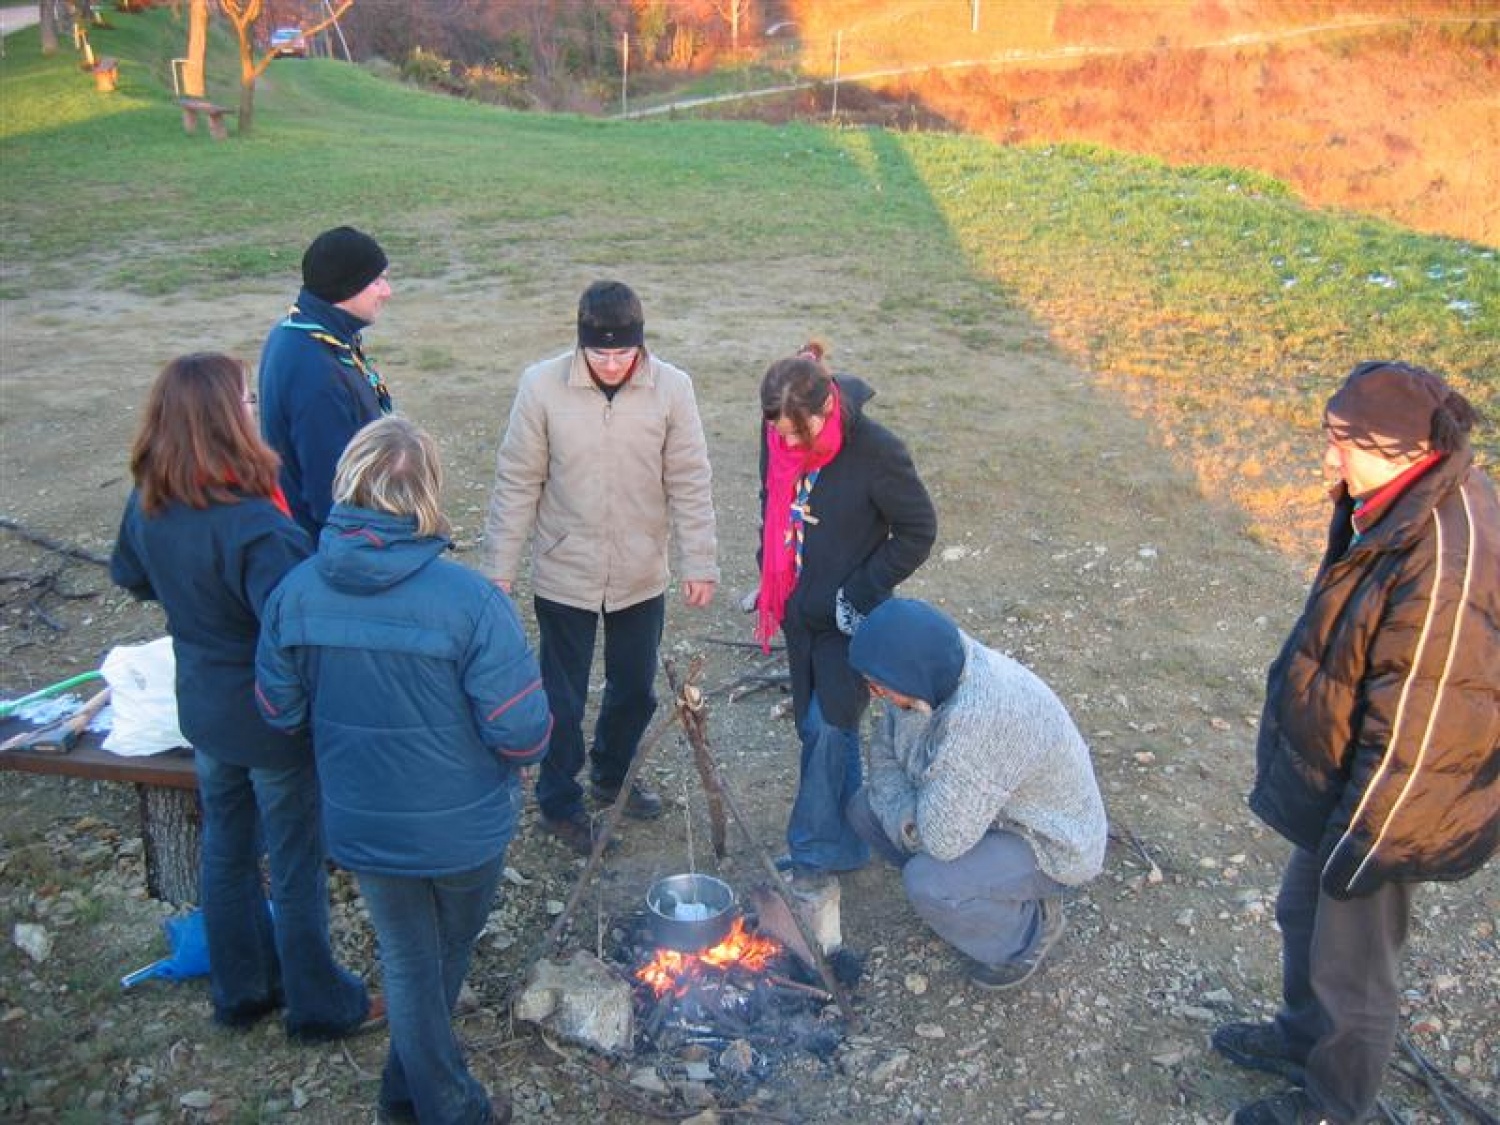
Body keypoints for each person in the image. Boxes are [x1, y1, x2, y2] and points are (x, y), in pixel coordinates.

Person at [1214, 362, 1500, 1125]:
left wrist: (1364, 844)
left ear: (1407, 449)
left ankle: (1338, 1107)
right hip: (1352, 784)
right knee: (1301, 914)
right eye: (1329, 437)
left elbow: (1425, 730)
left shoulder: (1444, 560)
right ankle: (1302, 1039)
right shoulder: (1395, 499)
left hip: (1391, 811)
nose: (1328, 460)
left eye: (1345, 443)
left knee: (1354, 969)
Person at [257, 417, 550, 1125]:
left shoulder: (295, 593)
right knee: (436, 957)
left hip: (361, 819)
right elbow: (524, 732)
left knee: (412, 960)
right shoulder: (471, 602)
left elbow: (277, 708)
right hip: (466, 828)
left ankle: (401, 1091)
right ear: (426, 493)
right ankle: (450, 1105)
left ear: (346, 485)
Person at [110, 352, 372, 1039]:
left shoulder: (149, 502)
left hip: (203, 704)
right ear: (224, 420)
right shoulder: (257, 525)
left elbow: (130, 577)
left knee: (225, 848)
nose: (258, 410)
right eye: (249, 401)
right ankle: (318, 1002)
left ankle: (241, 989)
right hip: (268, 716)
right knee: (292, 858)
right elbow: (293, 625)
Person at [481, 280, 718, 855]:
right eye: (599, 352)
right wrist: (498, 568)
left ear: (641, 343)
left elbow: (688, 477)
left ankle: (612, 777)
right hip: (566, 570)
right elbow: (518, 480)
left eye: (623, 352)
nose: (612, 364)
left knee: (635, 688)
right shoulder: (540, 387)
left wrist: (700, 560)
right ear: (580, 343)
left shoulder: (673, 390)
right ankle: (559, 801)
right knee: (561, 697)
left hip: (640, 570)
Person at [844, 598, 1107, 989]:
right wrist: (911, 824)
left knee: (929, 880)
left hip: (1047, 837)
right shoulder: (927, 672)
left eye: (878, 685)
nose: (874, 693)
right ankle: (969, 898)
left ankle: (1029, 931)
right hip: (979, 807)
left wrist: (913, 828)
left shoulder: (983, 719)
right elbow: (883, 754)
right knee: (864, 809)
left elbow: (944, 841)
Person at [755, 342, 936, 879]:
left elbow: (918, 530)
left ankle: (815, 851)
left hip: (849, 617)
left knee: (829, 726)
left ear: (827, 409)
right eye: (778, 431)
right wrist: (768, 561)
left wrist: (859, 590)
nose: (784, 442)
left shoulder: (876, 451)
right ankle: (853, 838)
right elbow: (770, 497)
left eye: (796, 431)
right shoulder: (777, 434)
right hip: (796, 612)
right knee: (821, 730)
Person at [258, 224, 394, 539]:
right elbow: (330, 494)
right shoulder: (314, 370)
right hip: (333, 549)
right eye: (377, 281)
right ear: (347, 287)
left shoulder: (303, 332)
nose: (387, 291)